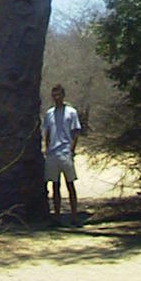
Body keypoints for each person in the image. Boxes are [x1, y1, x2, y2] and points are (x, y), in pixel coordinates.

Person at [43, 83, 82, 225]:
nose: (56, 97)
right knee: (55, 185)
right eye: (54, 95)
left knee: (70, 184)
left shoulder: (71, 112)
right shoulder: (49, 113)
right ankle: (57, 217)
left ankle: (74, 217)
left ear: (63, 95)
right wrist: (47, 148)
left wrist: (72, 150)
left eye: (58, 94)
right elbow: (47, 132)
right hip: (53, 153)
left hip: (65, 151)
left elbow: (76, 132)